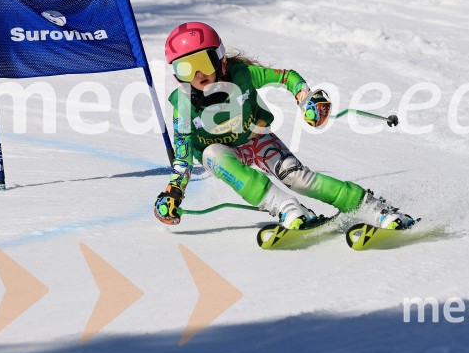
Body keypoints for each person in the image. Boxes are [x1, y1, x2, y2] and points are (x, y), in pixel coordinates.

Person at [153, 22, 416, 231]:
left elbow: (287, 78)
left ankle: (371, 207)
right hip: (223, 153)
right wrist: (174, 191)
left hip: (256, 137)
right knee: (212, 156)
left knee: (298, 179)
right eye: (186, 68)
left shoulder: (241, 73)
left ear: (220, 59)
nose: (198, 75)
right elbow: (183, 156)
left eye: (203, 63)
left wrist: (306, 98)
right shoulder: (184, 106)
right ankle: (286, 208)